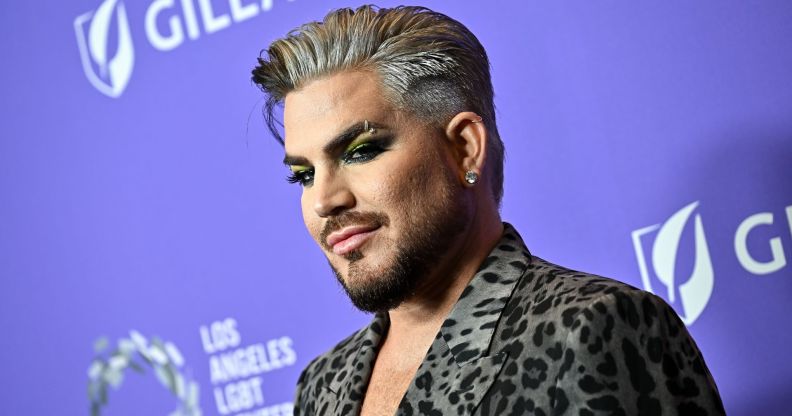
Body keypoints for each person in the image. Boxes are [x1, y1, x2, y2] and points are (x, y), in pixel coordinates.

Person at [251, 5, 725, 415]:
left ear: (464, 148)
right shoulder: (323, 385)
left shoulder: (587, 329)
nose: (323, 200)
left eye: (361, 151)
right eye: (304, 174)